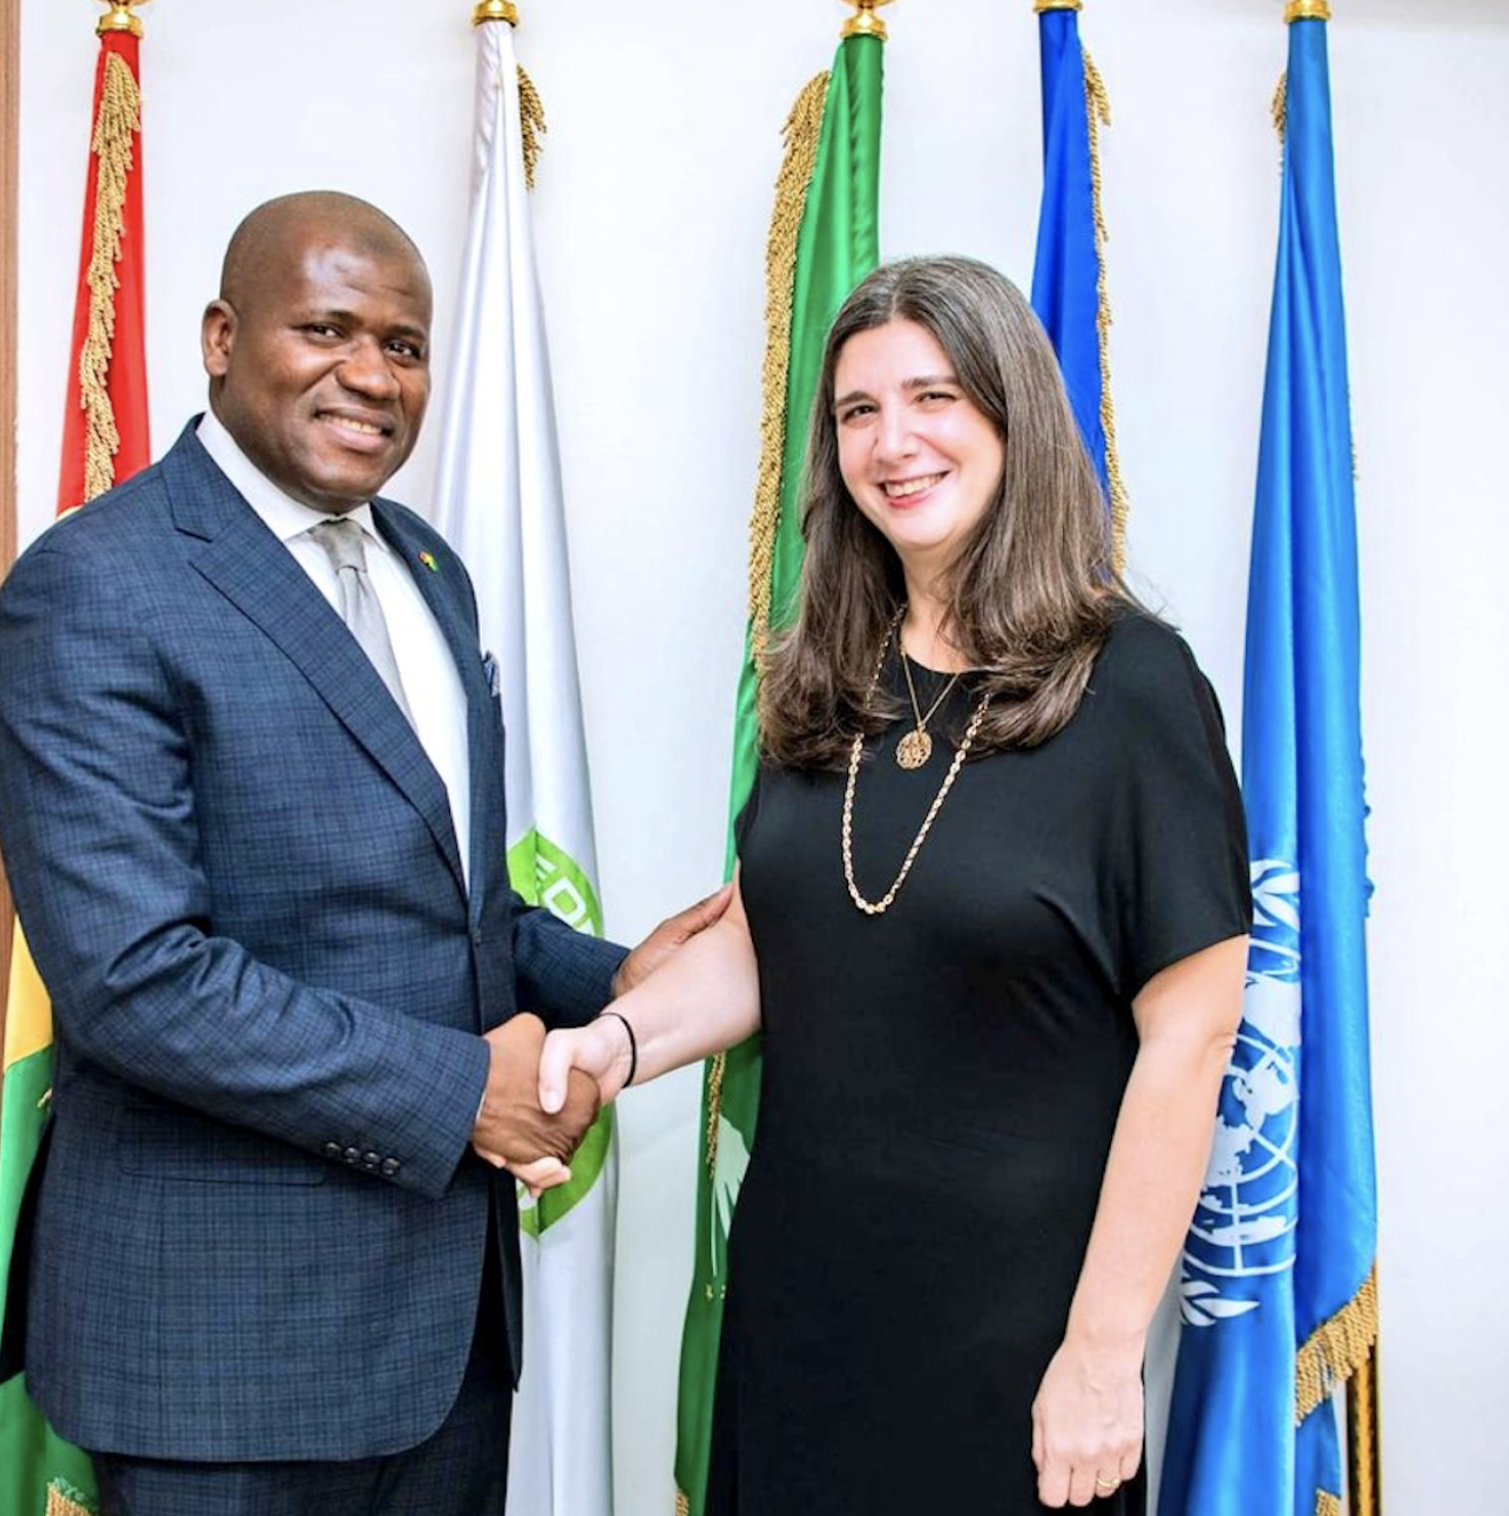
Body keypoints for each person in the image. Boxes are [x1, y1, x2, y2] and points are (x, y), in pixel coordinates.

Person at [0, 190, 723, 1516]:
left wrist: (627, 979)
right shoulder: (97, 585)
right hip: (220, 1355)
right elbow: (136, 977)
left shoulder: (429, 567)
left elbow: (443, 905)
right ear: (220, 335)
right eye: (326, 329)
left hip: (441, 1340)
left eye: (405, 344)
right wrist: (463, 1093)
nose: (372, 376)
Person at [536, 256, 1252, 1513]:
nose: (892, 441)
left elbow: (1188, 1038)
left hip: (1015, 1345)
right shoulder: (818, 674)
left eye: (932, 398)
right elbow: (775, 937)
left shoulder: (1131, 688)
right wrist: (610, 1045)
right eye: (858, 410)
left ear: (1009, 416)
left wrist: (1098, 1354)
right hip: (800, 1309)